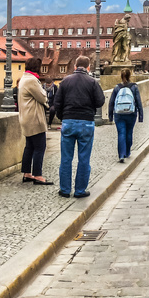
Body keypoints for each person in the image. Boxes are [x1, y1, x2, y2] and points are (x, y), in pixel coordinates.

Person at [53, 55, 105, 198]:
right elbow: (100, 101)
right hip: (86, 123)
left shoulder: (65, 81)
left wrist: (63, 117)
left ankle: (65, 190)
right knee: (84, 159)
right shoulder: (92, 82)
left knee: (66, 158)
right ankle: (80, 190)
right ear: (88, 68)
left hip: (68, 121)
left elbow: (57, 104)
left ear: (75, 67)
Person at [18, 57, 54, 186]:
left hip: (26, 117)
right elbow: (43, 97)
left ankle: (27, 173)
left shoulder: (24, 78)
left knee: (30, 146)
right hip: (34, 118)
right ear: (36, 68)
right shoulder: (32, 80)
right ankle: (38, 175)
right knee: (40, 146)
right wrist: (45, 96)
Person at [108, 68, 143, 164]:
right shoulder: (134, 87)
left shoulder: (117, 87)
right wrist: (141, 116)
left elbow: (111, 102)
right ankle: (127, 152)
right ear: (130, 75)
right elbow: (138, 101)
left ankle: (121, 155)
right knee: (129, 132)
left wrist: (110, 116)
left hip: (119, 114)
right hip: (131, 113)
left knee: (121, 133)